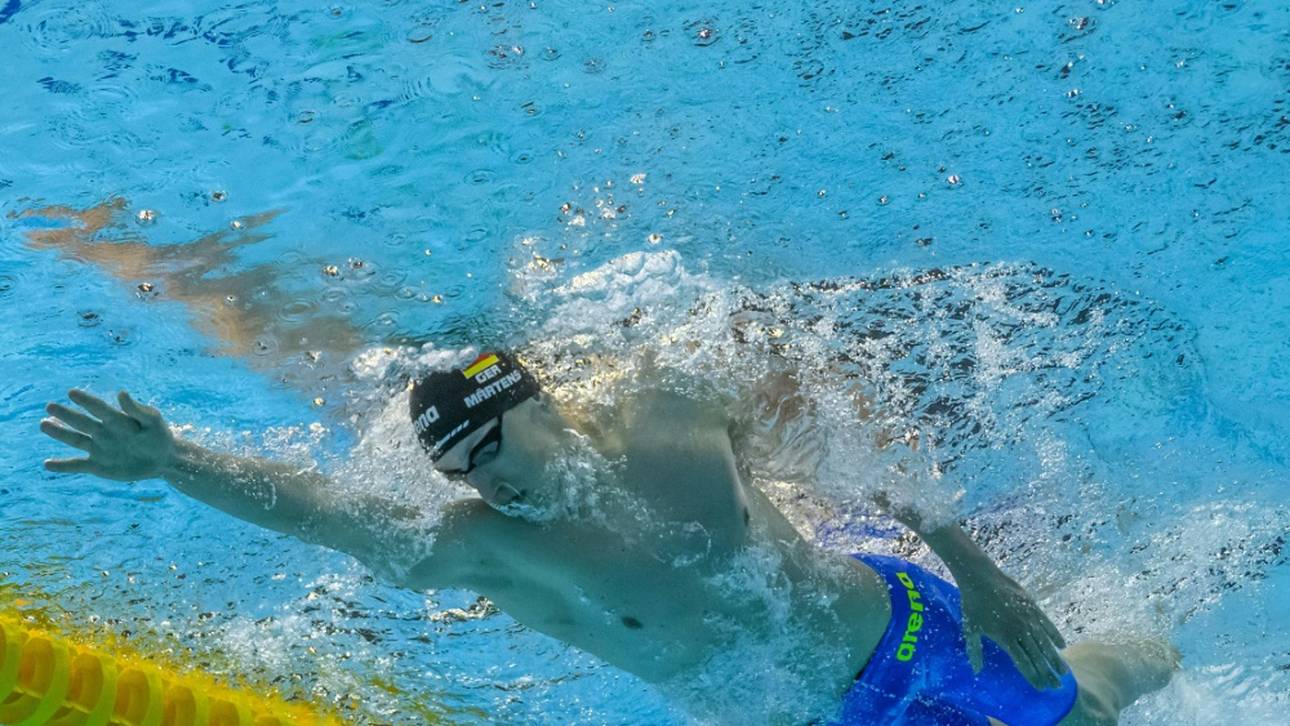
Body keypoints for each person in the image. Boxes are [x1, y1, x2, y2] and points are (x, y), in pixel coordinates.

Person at [28, 200, 1176, 724]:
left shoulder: (666, 426)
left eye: (492, 443)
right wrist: (174, 460)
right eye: (464, 469)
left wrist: (973, 566)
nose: (488, 480)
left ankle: (1170, 634)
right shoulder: (493, 550)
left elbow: (847, 430)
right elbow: (325, 510)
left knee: (1088, 702)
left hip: (903, 628)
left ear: (541, 406)